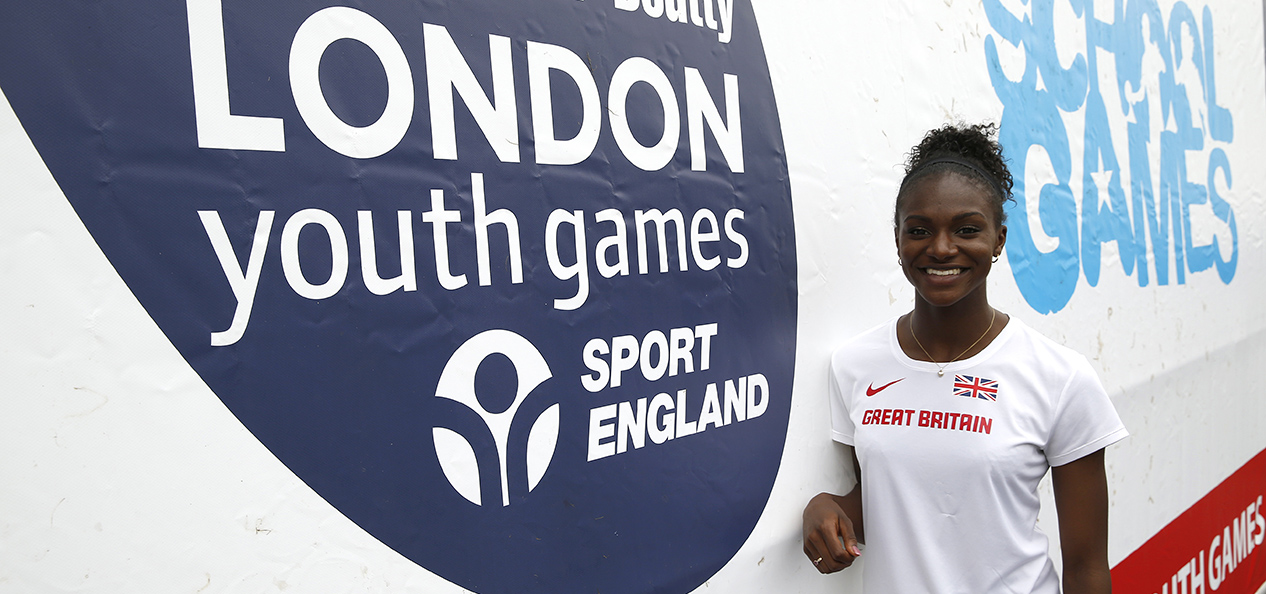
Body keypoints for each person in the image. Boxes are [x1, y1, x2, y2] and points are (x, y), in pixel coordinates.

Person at [801, 123, 1127, 593]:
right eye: (919, 230)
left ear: (998, 239)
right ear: (898, 240)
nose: (941, 248)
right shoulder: (855, 365)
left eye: (967, 229)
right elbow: (897, 502)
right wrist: (825, 508)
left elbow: (1087, 569)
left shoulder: (1060, 377)